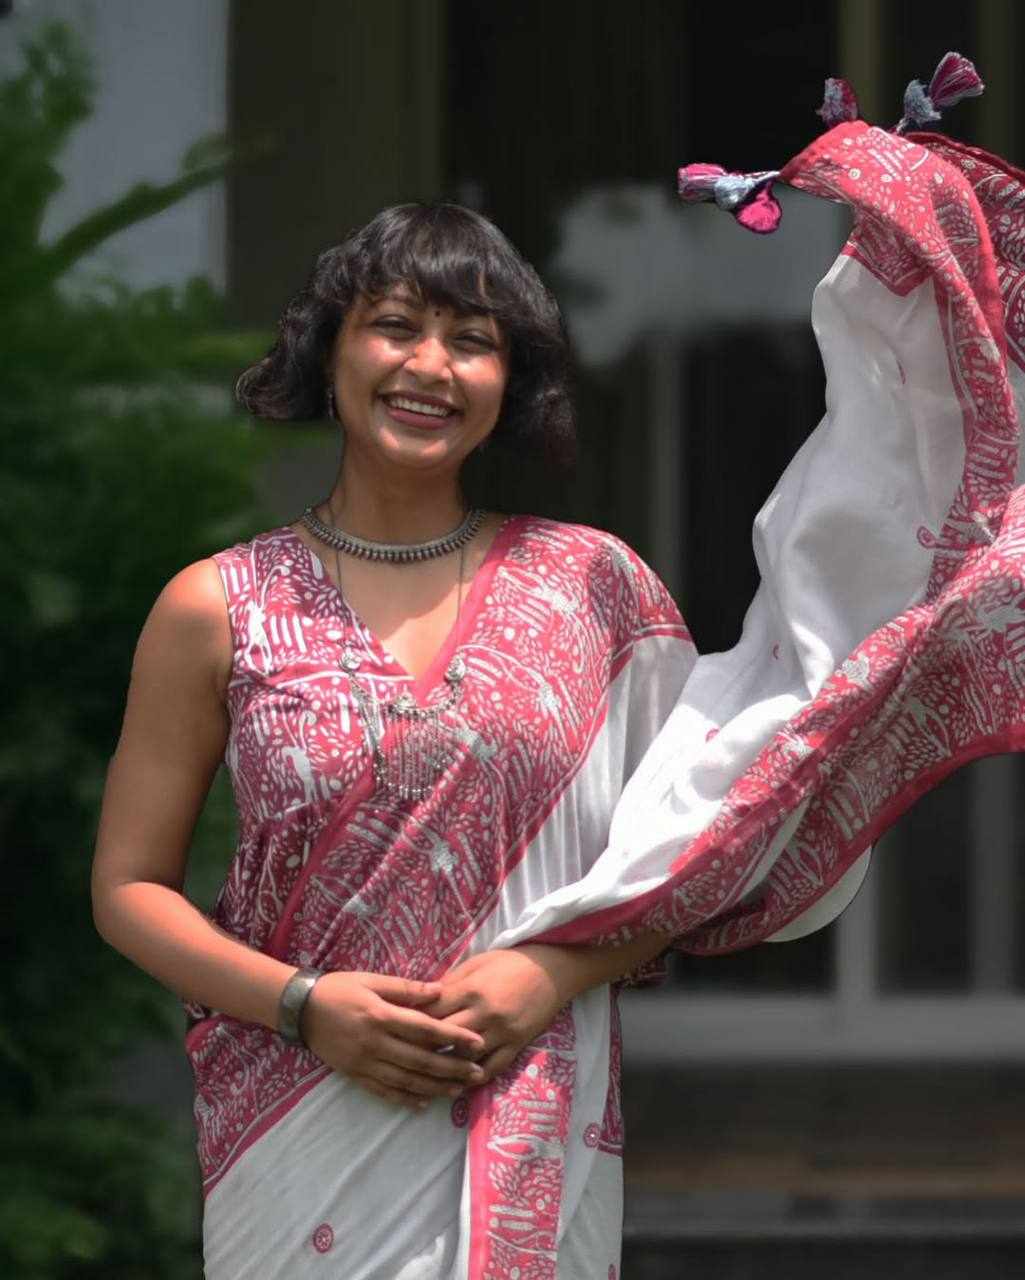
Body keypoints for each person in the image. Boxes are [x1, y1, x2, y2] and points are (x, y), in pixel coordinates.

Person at [90, 201, 696, 1279]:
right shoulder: (218, 604)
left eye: (472, 339)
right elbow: (128, 888)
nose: (430, 365)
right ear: (329, 352)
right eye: (395, 326)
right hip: (297, 1135)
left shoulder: (593, 588)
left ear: (509, 384)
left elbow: (697, 852)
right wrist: (303, 1005)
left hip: (529, 1124)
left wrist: (553, 972)